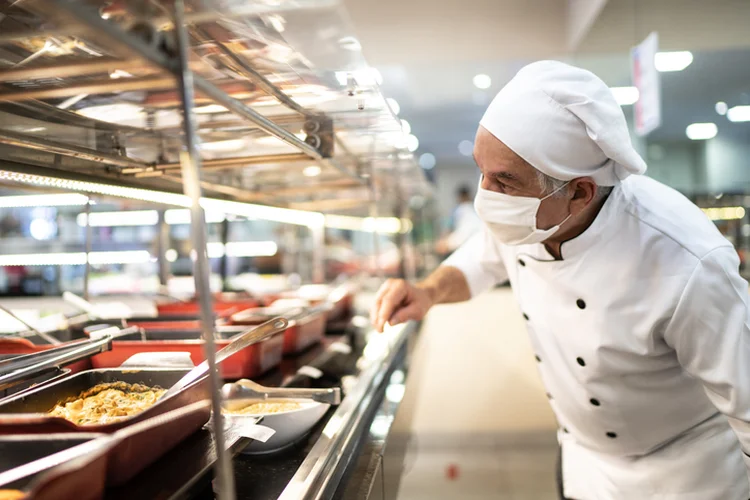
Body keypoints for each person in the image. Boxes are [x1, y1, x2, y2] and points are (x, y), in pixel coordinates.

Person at [370, 60, 750, 500]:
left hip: (685, 475)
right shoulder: (526, 220)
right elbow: (482, 256)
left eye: (505, 182)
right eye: (481, 171)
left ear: (579, 192)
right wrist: (427, 292)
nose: (484, 198)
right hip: (583, 464)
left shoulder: (687, 261)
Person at [435, 185, 482, 256]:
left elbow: (465, 232)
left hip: (470, 247)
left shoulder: (463, 210)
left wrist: (447, 244)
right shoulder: (473, 208)